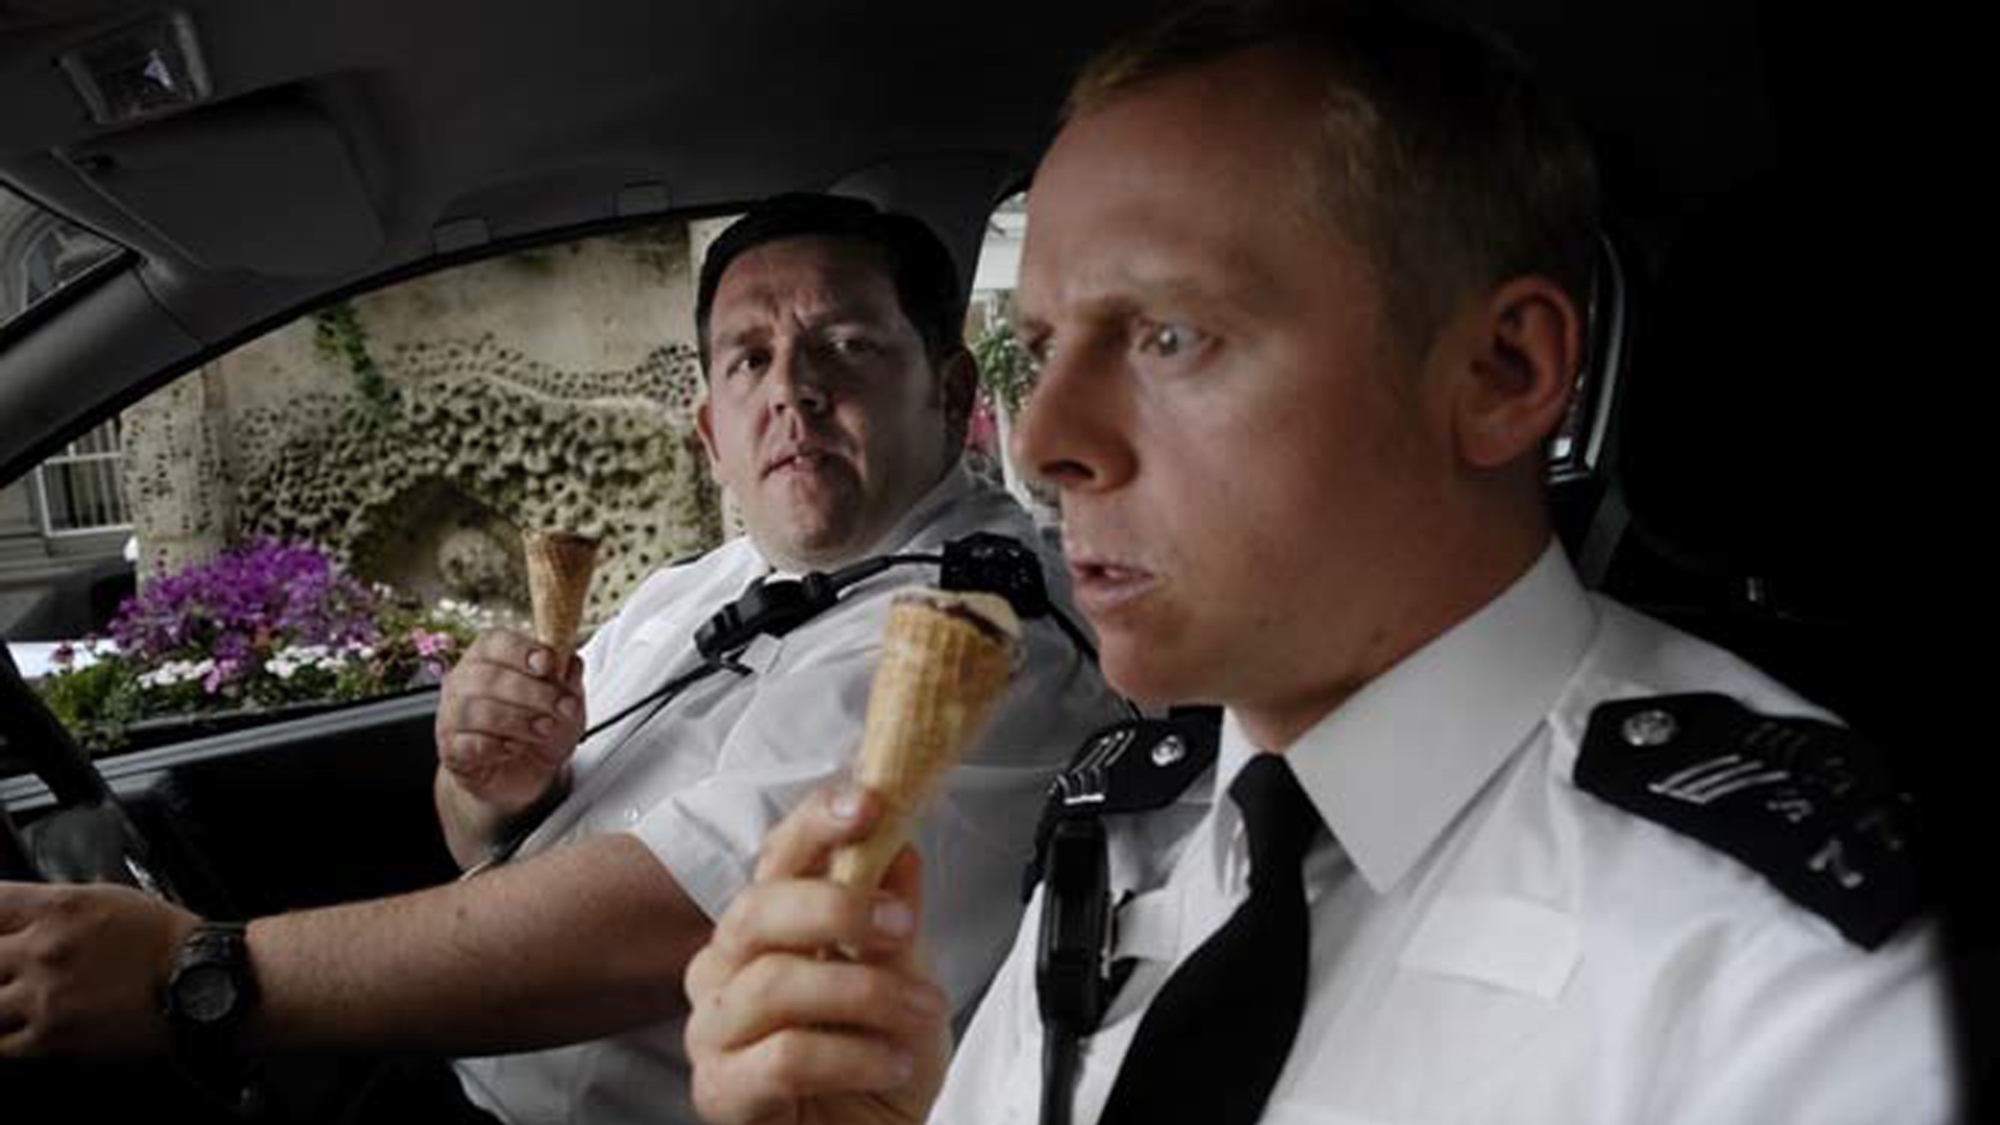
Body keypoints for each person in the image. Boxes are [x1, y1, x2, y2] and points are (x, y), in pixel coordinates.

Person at [681, 5, 1958, 1124]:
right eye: (1041, 348)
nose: (1052, 441)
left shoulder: (1799, 974)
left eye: (1170, 335)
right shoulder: (1116, 828)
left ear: (1501, 372)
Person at [0, 194, 1123, 1125]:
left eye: (844, 344)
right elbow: (502, 842)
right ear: (709, 432)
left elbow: (671, 921)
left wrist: (202, 973)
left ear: (954, 391)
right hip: (448, 1085)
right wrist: (487, 785)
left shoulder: (977, 639)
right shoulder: (698, 587)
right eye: (748, 358)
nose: (791, 386)